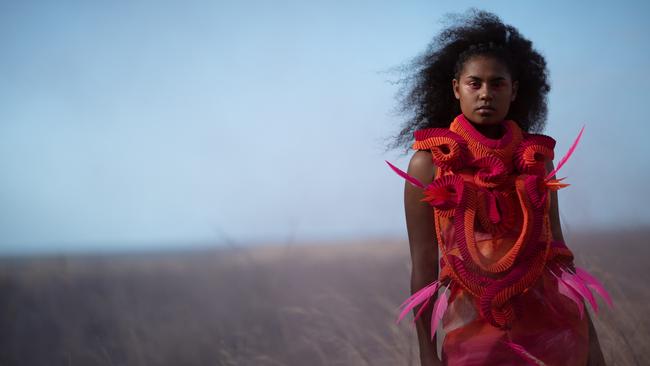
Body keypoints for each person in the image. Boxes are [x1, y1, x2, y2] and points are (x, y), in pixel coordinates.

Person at [386, 9, 612, 366]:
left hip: (553, 330)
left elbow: (557, 253)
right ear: (456, 88)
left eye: (498, 83)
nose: (486, 93)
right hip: (472, 334)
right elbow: (424, 267)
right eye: (474, 83)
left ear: (515, 90)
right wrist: (427, 353)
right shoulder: (429, 163)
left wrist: (592, 344)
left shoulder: (536, 159)